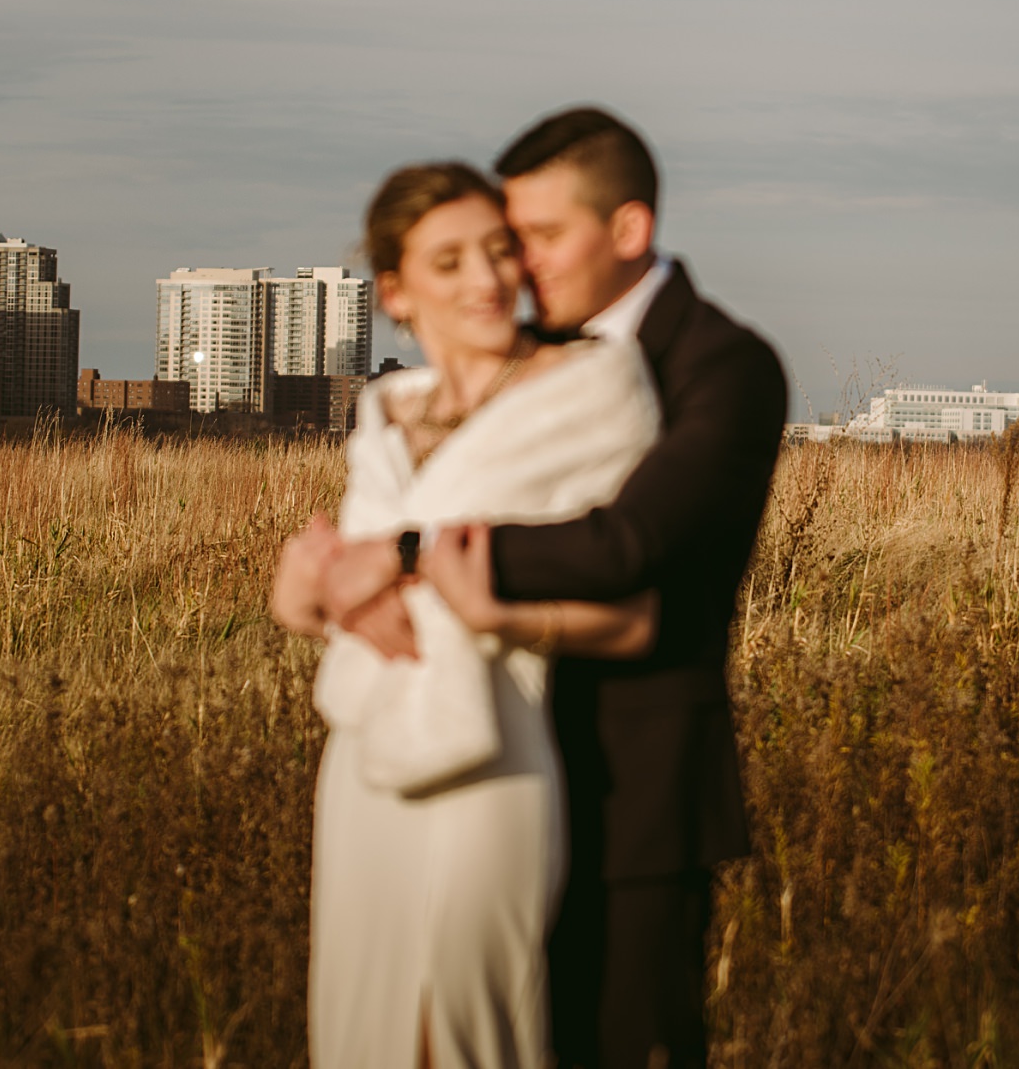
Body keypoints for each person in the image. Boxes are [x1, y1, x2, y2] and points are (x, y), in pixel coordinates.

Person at [324, 110, 787, 1069]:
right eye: (505, 242)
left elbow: (629, 545)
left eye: (533, 240)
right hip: (464, 749)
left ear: (627, 231)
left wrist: (407, 552)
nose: (514, 271)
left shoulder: (721, 365)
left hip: (632, 782)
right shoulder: (515, 364)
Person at [271, 158, 665, 1069]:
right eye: (448, 263)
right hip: (364, 765)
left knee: (463, 1026)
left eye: (499, 251)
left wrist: (497, 615)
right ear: (397, 291)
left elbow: (634, 616)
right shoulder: (383, 410)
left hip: (495, 757)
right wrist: (302, 592)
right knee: (361, 1028)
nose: (486, 280)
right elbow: (333, 590)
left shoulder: (592, 391)